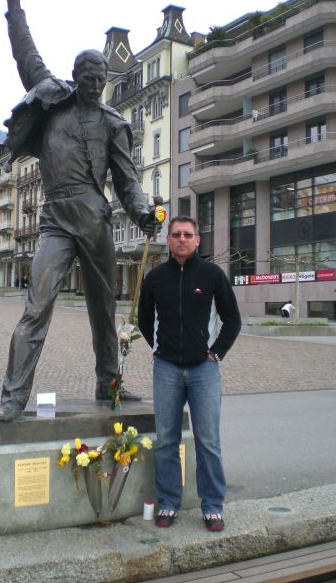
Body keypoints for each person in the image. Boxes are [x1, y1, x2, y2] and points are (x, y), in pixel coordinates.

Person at [0, 0, 157, 422]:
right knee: (37, 306)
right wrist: (14, 8)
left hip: (95, 219)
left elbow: (127, 179)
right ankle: (13, 395)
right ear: (75, 76)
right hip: (56, 219)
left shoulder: (113, 123)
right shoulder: (52, 98)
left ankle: (109, 383)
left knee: (103, 310)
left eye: (101, 81)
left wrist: (142, 212)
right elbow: (25, 53)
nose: (95, 86)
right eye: (88, 79)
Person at [138, 216, 241, 531]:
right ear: (168, 240)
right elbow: (144, 319)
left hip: (203, 370)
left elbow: (232, 319)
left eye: (187, 234)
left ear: (198, 240)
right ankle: (169, 502)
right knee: (166, 440)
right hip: (166, 369)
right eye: (176, 234)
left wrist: (216, 352)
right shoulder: (155, 278)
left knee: (208, 441)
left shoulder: (212, 275)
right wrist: (160, 347)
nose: (181, 239)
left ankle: (212, 506)